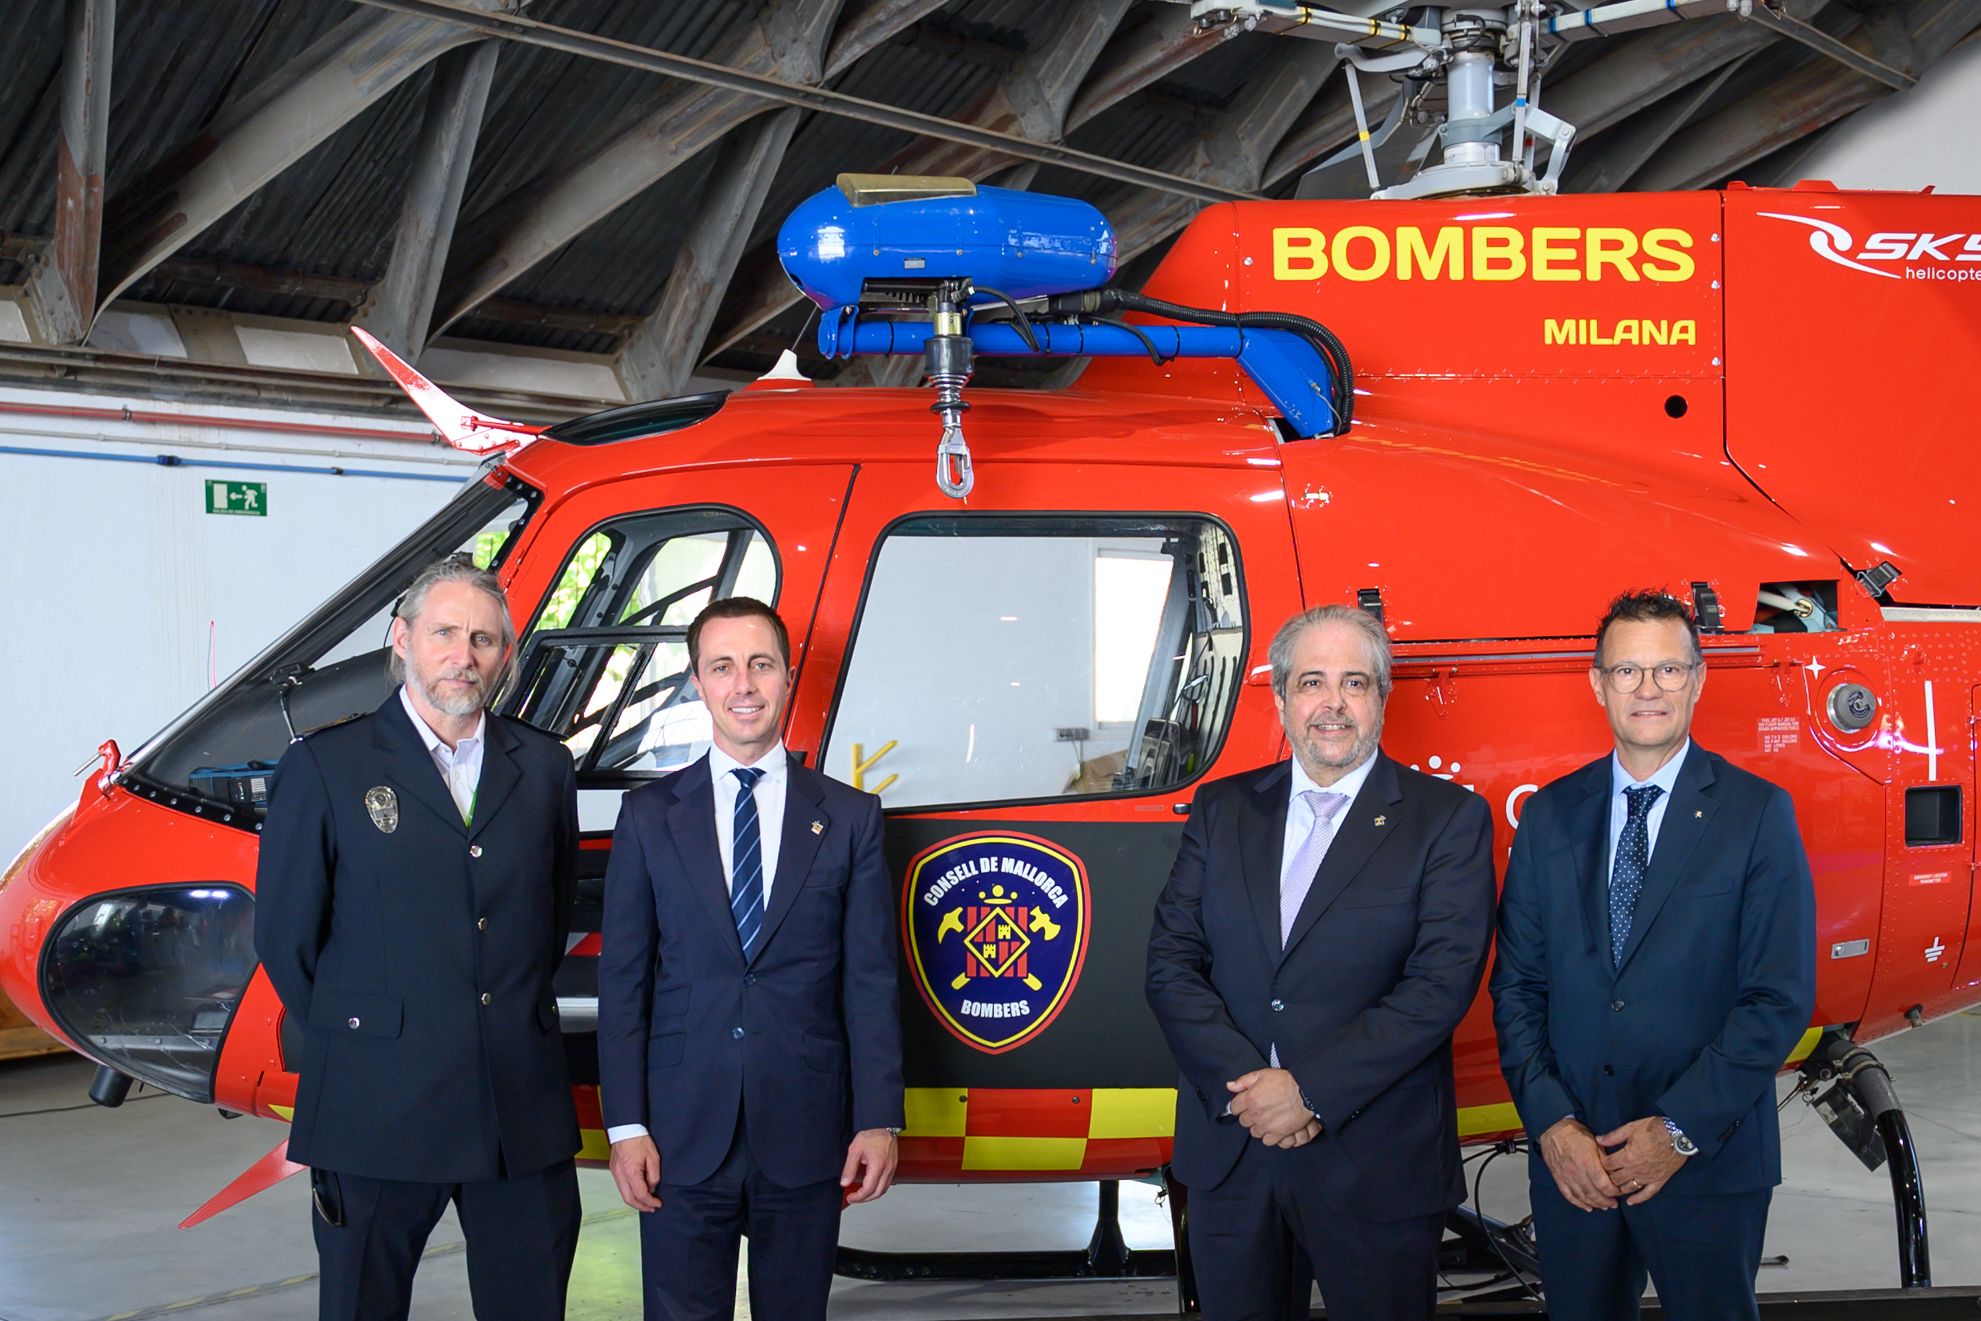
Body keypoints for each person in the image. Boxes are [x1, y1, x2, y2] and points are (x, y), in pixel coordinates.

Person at [1146, 603, 1497, 1319]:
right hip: (1234, 1150)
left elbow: (1438, 987)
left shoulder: (1447, 820)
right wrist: (1249, 1092)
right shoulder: (1222, 809)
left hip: (1374, 1161)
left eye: (1353, 682)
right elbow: (1171, 961)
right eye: (1311, 682)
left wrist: (1307, 1091)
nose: (1332, 703)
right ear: (1280, 698)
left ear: (1381, 697)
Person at [254, 555, 581, 1321]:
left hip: (517, 1107)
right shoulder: (325, 766)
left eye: (483, 639)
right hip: (375, 1104)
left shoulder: (543, 765)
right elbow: (286, 938)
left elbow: (547, 918)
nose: (463, 656)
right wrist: (373, 1033)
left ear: (505, 654)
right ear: (401, 639)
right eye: (444, 633)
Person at [1490, 589, 1817, 1320]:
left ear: (1697, 680)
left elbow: (1777, 997)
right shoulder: (1548, 815)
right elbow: (1517, 987)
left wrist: (1677, 1130)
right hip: (1575, 1164)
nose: (1647, 690)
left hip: (1706, 1160)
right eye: (1627, 671)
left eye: (1667, 670)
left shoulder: (1756, 813)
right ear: (1597, 683)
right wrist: (1552, 1125)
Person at [597, 596, 904, 1321]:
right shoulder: (648, 816)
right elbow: (625, 981)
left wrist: (878, 1118)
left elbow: (869, 980)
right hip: (678, 1132)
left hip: (806, 1127)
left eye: (761, 665)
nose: (743, 685)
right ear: (697, 682)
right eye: (723, 666)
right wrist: (626, 1126)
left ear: (788, 678)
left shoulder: (850, 817)